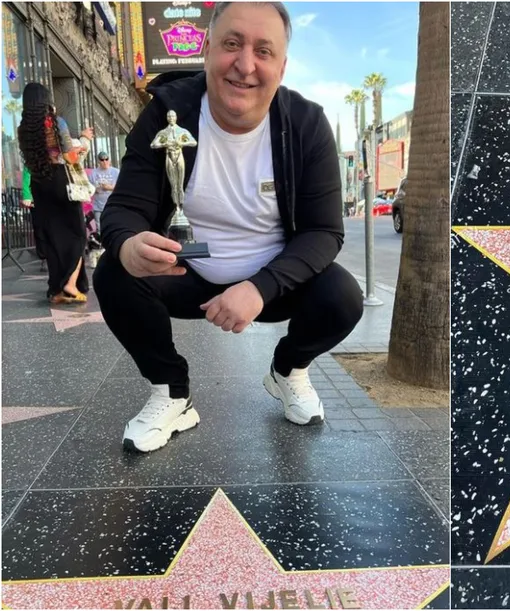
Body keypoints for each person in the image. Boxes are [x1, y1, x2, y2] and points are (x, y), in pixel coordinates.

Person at [94, 1, 364, 453]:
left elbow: (324, 232)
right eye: (232, 44)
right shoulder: (166, 113)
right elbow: (124, 208)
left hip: (273, 279)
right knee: (114, 273)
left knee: (342, 296)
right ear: (207, 50)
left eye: (264, 51)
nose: (245, 64)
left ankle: (287, 370)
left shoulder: (306, 123)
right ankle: (171, 392)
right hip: (185, 270)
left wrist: (259, 287)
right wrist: (128, 244)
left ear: (282, 66)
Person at [17, 82, 94, 303]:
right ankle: (70, 284)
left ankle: (56, 289)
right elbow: (69, 156)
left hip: (39, 184)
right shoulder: (56, 122)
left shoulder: (23, 129)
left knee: (53, 237)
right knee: (77, 234)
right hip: (61, 181)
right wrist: (84, 141)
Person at [88, 151, 119, 234]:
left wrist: (110, 188)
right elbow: (89, 190)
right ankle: (100, 240)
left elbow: (122, 187)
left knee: (113, 226)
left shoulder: (116, 172)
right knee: (99, 228)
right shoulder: (93, 173)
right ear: (98, 161)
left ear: (109, 160)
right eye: (102, 160)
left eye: (106, 159)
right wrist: (96, 189)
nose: (105, 162)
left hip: (112, 205)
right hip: (98, 206)